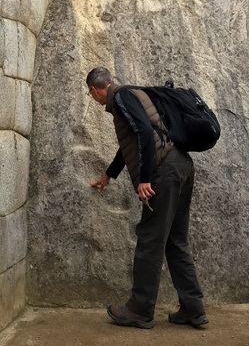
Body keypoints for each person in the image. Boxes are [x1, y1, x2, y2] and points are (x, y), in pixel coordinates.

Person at [86, 66, 208, 330]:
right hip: (181, 165)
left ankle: (140, 310)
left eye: (90, 95)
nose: (92, 99)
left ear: (94, 90)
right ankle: (193, 308)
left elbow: (143, 132)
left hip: (165, 170)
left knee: (150, 239)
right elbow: (130, 144)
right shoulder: (131, 95)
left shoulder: (121, 98)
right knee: (175, 240)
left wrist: (145, 178)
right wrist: (108, 175)